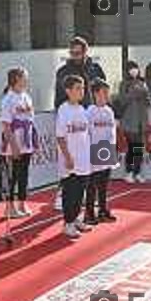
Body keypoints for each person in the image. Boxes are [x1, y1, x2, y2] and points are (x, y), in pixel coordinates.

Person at [53, 36, 106, 210]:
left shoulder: (95, 69)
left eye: (78, 52)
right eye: (72, 52)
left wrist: (105, 111)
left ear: (85, 52)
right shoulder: (63, 71)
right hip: (73, 119)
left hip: (93, 118)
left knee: (95, 163)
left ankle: (91, 198)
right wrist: (61, 114)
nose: (74, 55)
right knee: (70, 161)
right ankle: (62, 194)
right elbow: (59, 97)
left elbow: (103, 91)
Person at [56, 75, 93, 240]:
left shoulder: (82, 109)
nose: (81, 91)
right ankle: (68, 223)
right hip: (70, 160)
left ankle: (76, 218)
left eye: (83, 88)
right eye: (78, 88)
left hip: (84, 159)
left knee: (80, 192)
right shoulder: (64, 110)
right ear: (68, 91)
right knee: (70, 192)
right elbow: (60, 137)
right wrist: (67, 157)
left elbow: (86, 134)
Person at [1, 67, 37, 219]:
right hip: (14, 141)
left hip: (26, 140)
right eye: (23, 78)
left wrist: (33, 141)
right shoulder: (8, 99)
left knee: (24, 174)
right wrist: (14, 145)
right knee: (13, 175)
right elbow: (6, 125)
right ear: (15, 79)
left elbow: (30, 119)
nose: (26, 81)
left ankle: (22, 202)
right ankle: (9, 206)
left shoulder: (26, 97)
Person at [85, 78, 118, 225]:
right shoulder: (89, 112)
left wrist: (112, 149)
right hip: (94, 150)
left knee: (104, 184)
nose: (107, 95)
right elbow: (87, 134)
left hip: (106, 149)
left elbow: (112, 132)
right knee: (92, 184)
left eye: (107, 92)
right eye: (104, 92)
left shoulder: (109, 111)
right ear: (96, 94)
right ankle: (89, 213)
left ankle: (103, 210)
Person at [116, 60, 150, 184]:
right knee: (132, 147)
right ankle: (129, 172)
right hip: (129, 121)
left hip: (141, 121)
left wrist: (145, 95)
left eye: (135, 68)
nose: (134, 71)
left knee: (139, 148)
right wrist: (133, 93)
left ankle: (138, 172)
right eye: (131, 69)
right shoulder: (123, 84)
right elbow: (122, 101)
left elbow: (148, 102)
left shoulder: (142, 83)